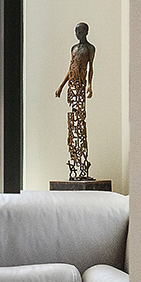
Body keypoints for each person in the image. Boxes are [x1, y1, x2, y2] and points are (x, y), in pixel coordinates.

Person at [55, 22, 96, 184]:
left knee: (79, 119)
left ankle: (82, 165)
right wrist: (61, 86)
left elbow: (91, 67)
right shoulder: (73, 48)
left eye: (80, 31)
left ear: (86, 31)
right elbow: (70, 67)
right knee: (73, 121)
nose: (77, 33)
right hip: (72, 85)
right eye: (76, 31)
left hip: (81, 85)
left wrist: (91, 85)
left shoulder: (90, 49)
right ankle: (75, 162)